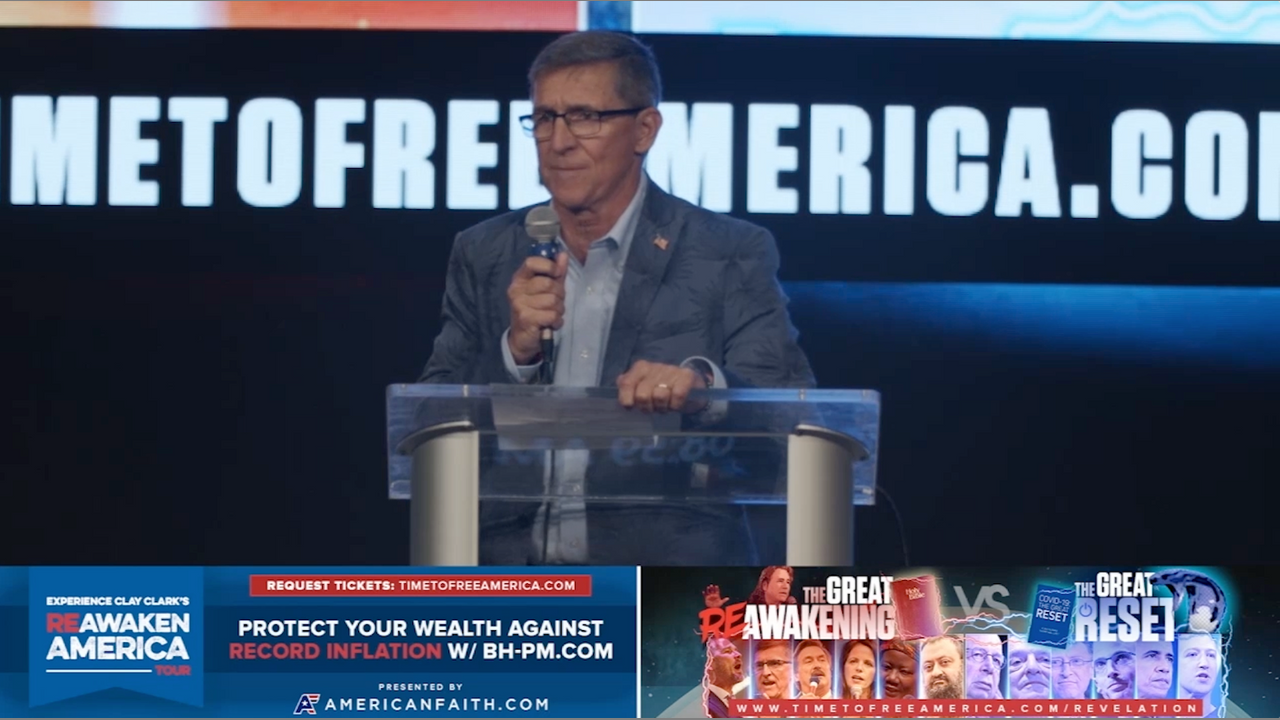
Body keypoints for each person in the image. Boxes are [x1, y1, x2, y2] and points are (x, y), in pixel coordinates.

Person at [418, 30, 815, 565]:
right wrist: (514, 355)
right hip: (513, 583)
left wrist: (703, 391)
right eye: (544, 118)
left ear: (644, 129)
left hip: (659, 580)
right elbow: (428, 420)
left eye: (585, 117)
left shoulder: (727, 251)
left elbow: (787, 419)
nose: (558, 141)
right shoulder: (485, 251)